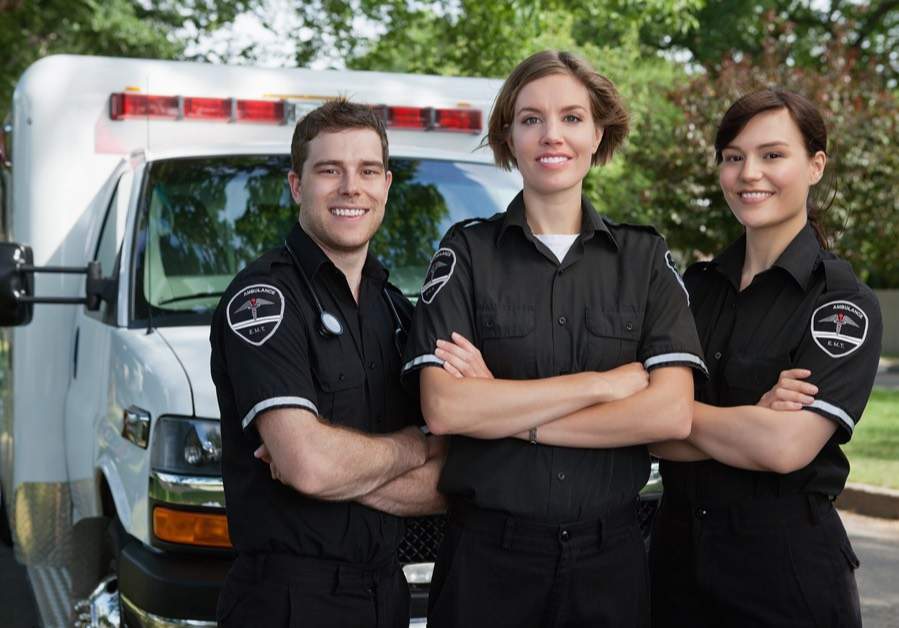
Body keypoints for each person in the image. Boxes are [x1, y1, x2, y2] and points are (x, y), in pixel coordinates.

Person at [401, 50, 708, 628]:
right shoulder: (465, 253)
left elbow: (670, 412)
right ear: (509, 137)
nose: (552, 135)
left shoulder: (643, 258)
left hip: (610, 562)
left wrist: (510, 410)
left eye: (571, 117)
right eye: (531, 118)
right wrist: (604, 385)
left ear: (598, 133)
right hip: (487, 562)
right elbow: (445, 406)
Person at [649, 89, 883, 628]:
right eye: (734, 157)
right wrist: (747, 417)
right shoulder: (690, 292)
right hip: (671, 572)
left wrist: (671, 411)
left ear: (815, 165)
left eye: (772, 155)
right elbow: (643, 432)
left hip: (784, 579)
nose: (749, 172)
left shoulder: (840, 304)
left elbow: (784, 446)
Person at [209, 98, 446, 628]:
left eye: (366, 171)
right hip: (288, 600)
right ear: (297, 185)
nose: (350, 188)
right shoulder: (263, 298)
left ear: (386, 185)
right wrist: (414, 446)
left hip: (389, 593)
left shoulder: (399, 310)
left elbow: (446, 484)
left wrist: (329, 467)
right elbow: (309, 466)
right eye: (329, 170)